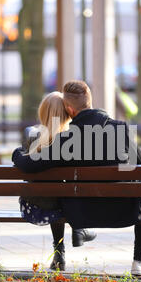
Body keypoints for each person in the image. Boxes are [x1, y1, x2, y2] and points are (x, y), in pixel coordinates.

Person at [13, 81, 141, 276]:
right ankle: (140, 261)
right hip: (125, 210)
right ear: (90, 102)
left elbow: (28, 165)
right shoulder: (121, 129)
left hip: (80, 214)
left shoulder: (65, 140)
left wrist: (17, 152)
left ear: (69, 109)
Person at [17, 91, 96, 271]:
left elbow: (25, 167)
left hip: (36, 205)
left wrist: (17, 153)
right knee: (67, 191)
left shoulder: (32, 136)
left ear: (43, 112)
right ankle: (78, 229)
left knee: (55, 193)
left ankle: (59, 250)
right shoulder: (73, 140)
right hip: (68, 206)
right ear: (67, 113)